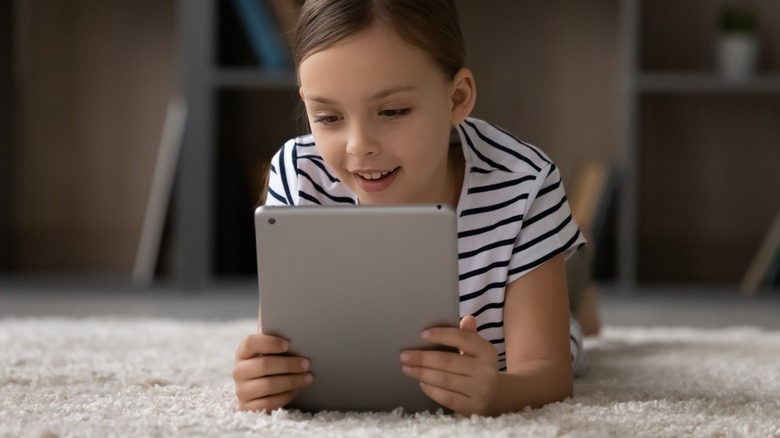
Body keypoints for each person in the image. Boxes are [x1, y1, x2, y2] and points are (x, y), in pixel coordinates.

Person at [233, 0, 598, 417]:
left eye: (393, 111)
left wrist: (499, 393)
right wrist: (262, 375)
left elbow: (548, 374)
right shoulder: (298, 174)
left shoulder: (523, 181)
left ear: (457, 98)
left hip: (505, 332)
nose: (359, 146)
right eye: (329, 117)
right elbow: (275, 345)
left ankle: (574, 275)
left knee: (568, 339)